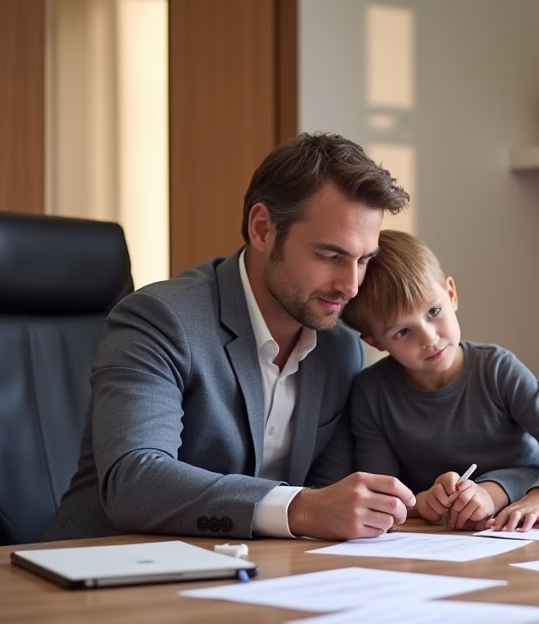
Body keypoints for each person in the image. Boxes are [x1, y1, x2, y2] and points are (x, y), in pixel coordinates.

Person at [45, 133, 419, 542]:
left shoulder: (340, 347)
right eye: (330, 256)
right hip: (106, 564)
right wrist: (299, 507)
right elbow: (134, 482)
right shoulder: (159, 319)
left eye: (364, 260)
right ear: (262, 229)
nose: (350, 286)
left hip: (253, 568)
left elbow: (330, 495)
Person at [341, 230, 539, 531]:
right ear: (375, 341)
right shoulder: (371, 392)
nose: (429, 338)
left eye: (433, 311)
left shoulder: (496, 368)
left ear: (451, 294)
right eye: (402, 332)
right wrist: (422, 502)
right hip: (439, 537)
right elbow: (381, 493)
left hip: (517, 511)